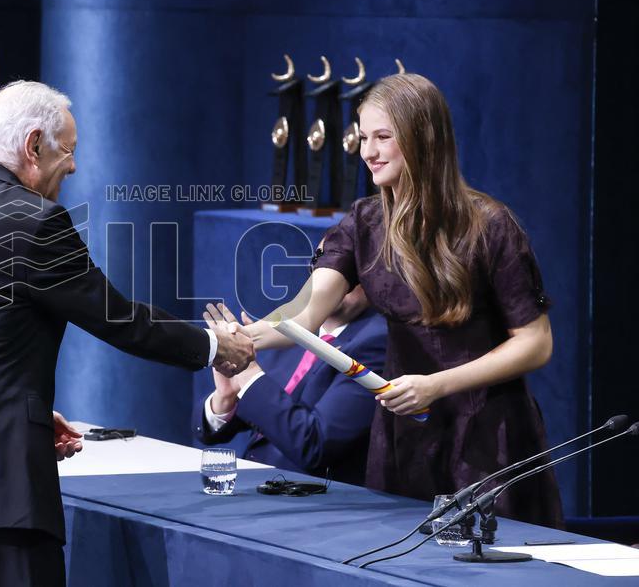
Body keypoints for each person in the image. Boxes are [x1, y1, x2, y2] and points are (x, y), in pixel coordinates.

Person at [0, 81, 255, 587]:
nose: (74, 166)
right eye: (68, 149)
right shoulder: (34, 222)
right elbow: (119, 318)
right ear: (34, 145)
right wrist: (216, 346)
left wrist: (20, 411)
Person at [225, 73, 563, 527]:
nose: (367, 152)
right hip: (406, 432)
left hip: (487, 431)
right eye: (363, 137)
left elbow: (536, 343)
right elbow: (305, 312)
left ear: (424, 138)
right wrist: (241, 339)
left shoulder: (491, 225)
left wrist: (436, 384)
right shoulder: (363, 221)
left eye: (383, 137)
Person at [196, 285, 387, 485]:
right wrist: (225, 399)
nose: (342, 281)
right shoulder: (290, 330)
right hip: (254, 484)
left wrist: (249, 373)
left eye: (351, 271)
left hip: (312, 498)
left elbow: (315, 445)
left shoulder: (375, 340)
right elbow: (264, 409)